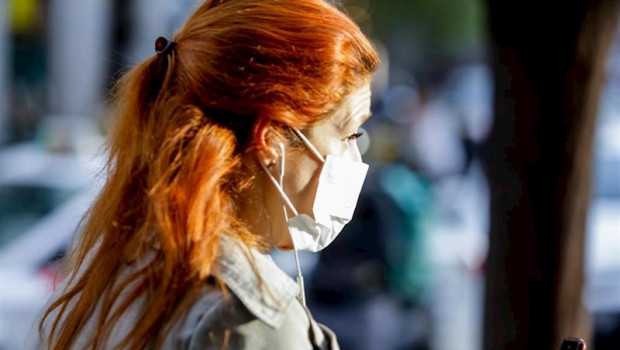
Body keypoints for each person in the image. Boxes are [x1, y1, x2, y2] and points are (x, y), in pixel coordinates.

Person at [29, 0, 379, 349]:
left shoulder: (115, 270)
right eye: (350, 134)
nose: (355, 156)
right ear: (270, 139)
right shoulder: (244, 316)